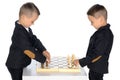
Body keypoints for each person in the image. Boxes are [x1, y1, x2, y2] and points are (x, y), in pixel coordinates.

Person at [6, 2, 50, 80]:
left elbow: (34, 40)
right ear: (23, 17)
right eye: (32, 21)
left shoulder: (26, 28)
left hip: (22, 62)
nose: (33, 24)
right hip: (15, 65)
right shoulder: (19, 33)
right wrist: (43, 59)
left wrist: (43, 50)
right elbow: (28, 51)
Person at [73, 4, 114, 80]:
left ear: (101, 19)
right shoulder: (102, 32)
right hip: (95, 68)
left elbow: (97, 54)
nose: (91, 24)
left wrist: (81, 61)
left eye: (92, 21)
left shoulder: (104, 34)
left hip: (97, 68)